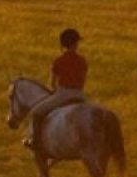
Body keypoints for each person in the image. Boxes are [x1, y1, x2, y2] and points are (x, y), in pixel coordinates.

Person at [24, 27, 89, 155]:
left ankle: (35, 141)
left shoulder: (58, 61)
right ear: (75, 44)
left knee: (36, 113)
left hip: (63, 94)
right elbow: (83, 80)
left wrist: (55, 92)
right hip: (80, 95)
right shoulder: (82, 60)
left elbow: (52, 84)